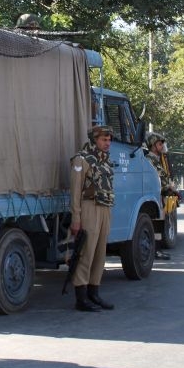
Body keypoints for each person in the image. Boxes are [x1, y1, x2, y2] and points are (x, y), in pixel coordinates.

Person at [69, 125, 116, 312]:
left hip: (105, 209)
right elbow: (75, 190)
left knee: (100, 254)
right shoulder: (82, 159)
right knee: (86, 253)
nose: (107, 143)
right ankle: (81, 298)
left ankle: (94, 293)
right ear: (94, 139)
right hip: (89, 208)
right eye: (104, 140)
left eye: (109, 140)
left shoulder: (105, 160)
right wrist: (76, 217)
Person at [143, 132, 177, 260]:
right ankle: (155, 251)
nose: (162, 146)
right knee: (155, 225)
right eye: (159, 144)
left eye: (162, 144)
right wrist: (167, 187)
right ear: (152, 146)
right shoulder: (149, 160)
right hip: (154, 196)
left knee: (159, 225)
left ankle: (157, 250)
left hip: (160, 196)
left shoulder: (156, 160)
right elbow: (154, 179)